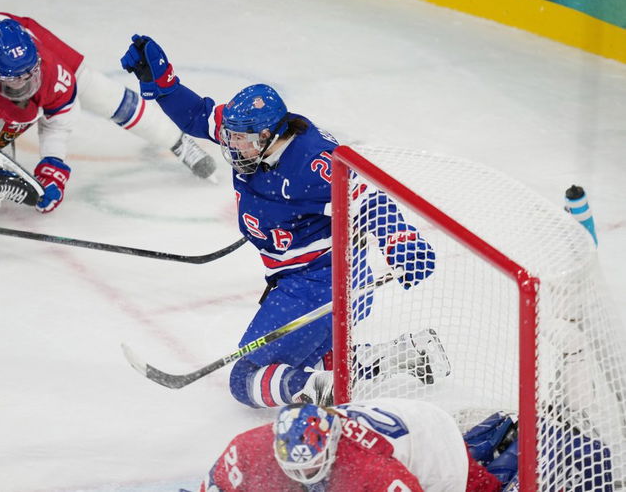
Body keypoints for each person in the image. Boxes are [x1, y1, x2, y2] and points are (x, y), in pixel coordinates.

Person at [120, 35, 438, 409]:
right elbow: (198, 116)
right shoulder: (250, 132)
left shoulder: (312, 162)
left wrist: (400, 239)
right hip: (312, 279)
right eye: (231, 138)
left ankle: (322, 392)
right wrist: (164, 85)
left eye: (242, 141)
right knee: (312, 360)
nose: (233, 147)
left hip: (324, 284)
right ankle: (402, 354)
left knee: (246, 379)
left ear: (269, 135)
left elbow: (367, 196)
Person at [0, 5, 216, 214]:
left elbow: (58, 118)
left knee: (101, 92)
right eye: (14, 81)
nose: (26, 86)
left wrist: (53, 167)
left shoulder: (48, 67)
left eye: (30, 75)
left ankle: (177, 141)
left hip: (16, 33)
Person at [198, 398, 520, 492]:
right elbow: (216, 485)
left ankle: (524, 444)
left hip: (429, 442)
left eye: (311, 465)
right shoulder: (249, 447)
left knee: (484, 489)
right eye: (297, 467)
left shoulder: (368, 470)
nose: (304, 474)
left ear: (331, 444)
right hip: (396, 430)